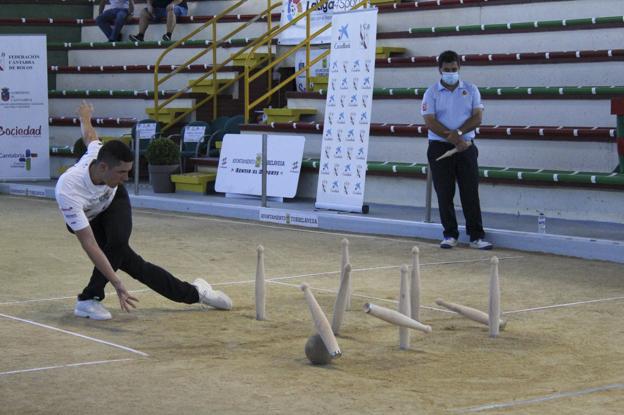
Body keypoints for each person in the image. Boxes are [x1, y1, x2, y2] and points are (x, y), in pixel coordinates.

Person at [55, 101, 232, 320]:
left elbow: (90, 137)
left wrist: (85, 118)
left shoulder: (100, 155)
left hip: (112, 201)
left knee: (117, 244)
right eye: (122, 172)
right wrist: (117, 283)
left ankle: (89, 298)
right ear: (103, 167)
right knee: (134, 264)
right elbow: (89, 244)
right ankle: (196, 293)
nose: (127, 178)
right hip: (89, 216)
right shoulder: (68, 189)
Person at [421, 50, 493, 250]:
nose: (450, 72)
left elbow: (478, 117)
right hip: (439, 147)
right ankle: (449, 234)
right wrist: (452, 138)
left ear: (459, 68)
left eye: (454, 69)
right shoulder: (431, 92)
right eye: (446, 70)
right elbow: (430, 120)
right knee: (444, 192)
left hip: (466, 146)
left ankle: (476, 236)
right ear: (439, 70)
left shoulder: (471, 90)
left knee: (470, 191)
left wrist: (460, 134)